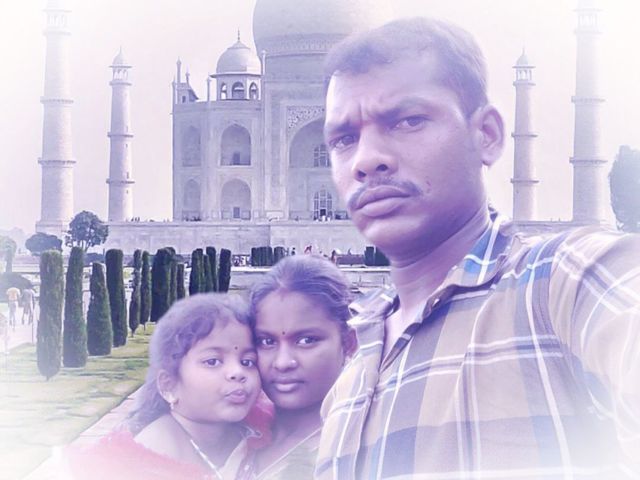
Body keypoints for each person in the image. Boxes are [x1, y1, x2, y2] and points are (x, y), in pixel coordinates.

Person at [316, 17, 640, 479]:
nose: (366, 160)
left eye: (407, 121)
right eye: (344, 139)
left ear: (486, 135)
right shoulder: (350, 367)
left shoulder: (564, 283)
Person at [67, 294, 268, 480]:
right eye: (212, 361)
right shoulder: (145, 462)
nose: (237, 372)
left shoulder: (259, 428)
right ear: (168, 385)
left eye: (248, 362)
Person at [248, 255, 355, 479]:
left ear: (348, 342)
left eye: (306, 340)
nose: (283, 362)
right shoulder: (227, 430)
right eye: (266, 341)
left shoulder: (358, 446)